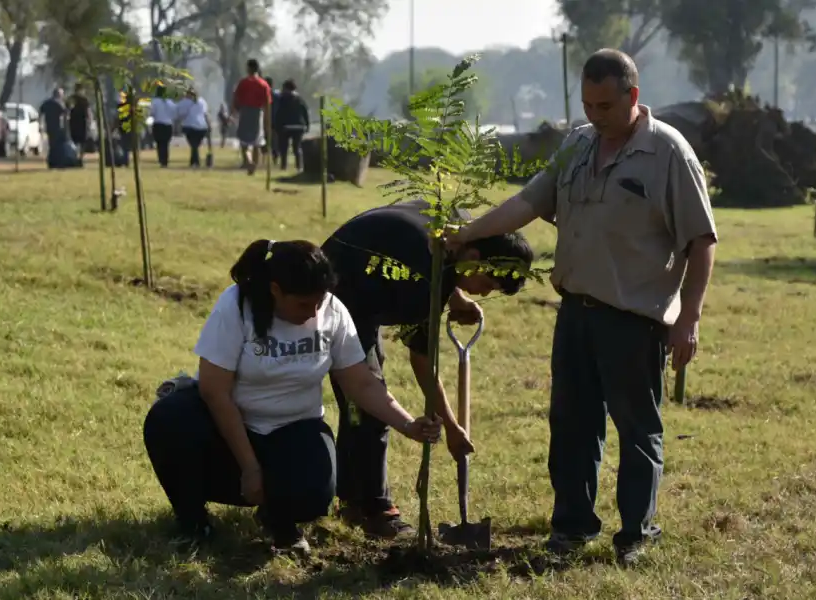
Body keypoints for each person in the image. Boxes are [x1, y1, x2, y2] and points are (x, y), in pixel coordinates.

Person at [445, 48, 718, 566]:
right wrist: (468, 232)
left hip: (634, 318)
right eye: (588, 104)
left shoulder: (668, 153)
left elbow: (701, 240)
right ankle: (572, 525)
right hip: (575, 311)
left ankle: (637, 532)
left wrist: (691, 317)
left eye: (606, 106)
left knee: (637, 429)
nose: (596, 115)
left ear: (632, 97)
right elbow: (528, 203)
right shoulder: (576, 144)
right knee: (571, 425)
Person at [143, 240, 443, 555]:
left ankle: (278, 518)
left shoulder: (331, 310)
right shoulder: (236, 306)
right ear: (275, 289)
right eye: (303, 304)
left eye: (319, 302)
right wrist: (250, 467)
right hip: (228, 425)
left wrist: (408, 425)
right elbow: (214, 391)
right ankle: (193, 521)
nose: (313, 312)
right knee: (169, 419)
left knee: (315, 494)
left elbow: (361, 383)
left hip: (294, 427)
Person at [320, 198, 535, 538]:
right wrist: (451, 426)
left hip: (366, 272)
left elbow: (439, 266)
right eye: (488, 286)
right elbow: (422, 362)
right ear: (474, 259)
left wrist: (455, 296)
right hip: (334, 292)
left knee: (361, 402)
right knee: (369, 400)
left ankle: (350, 498)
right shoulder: (423, 283)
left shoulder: (459, 227)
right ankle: (377, 508)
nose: (484, 293)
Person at [232, 58, 272, 175]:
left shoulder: (243, 83)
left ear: (248, 68)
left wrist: (234, 111)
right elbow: (267, 103)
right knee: (257, 141)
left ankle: (248, 161)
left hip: (245, 111)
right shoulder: (263, 84)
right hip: (258, 112)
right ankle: (254, 164)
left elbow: (236, 98)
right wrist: (267, 120)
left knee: (244, 140)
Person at [273, 79, 310, 171]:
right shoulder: (300, 99)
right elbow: (305, 113)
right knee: (297, 148)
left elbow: (279, 113)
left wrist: (276, 126)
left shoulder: (282, 99)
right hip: (299, 126)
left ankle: (283, 165)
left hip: (285, 126)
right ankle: (299, 166)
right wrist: (307, 125)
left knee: (284, 148)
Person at [175, 87, 210, 168]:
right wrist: (209, 124)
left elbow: (180, 114)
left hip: (189, 126)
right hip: (202, 126)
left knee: (194, 145)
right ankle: (194, 161)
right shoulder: (202, 101)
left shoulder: (184, 102)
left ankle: (195, 162)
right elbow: (205, 114)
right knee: (195, 145)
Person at [150, 84, 176, 167]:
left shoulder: (155, 102)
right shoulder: (171, 102)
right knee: (166, 144)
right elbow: (174, 113)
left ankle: (161, 159)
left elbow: (152, 113)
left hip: (158, 124)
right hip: (168, 125)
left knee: (159, 143)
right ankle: (165, 160)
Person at [68, 83, 91, 160]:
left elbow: (88, 111)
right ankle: (76, 155)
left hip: (82, 122)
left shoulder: (84, 100)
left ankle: (80, 157)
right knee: (75, 140)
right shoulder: (72, 99)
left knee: (82, 141)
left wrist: (89, 121)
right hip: (74, 122)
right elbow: (68, 109)